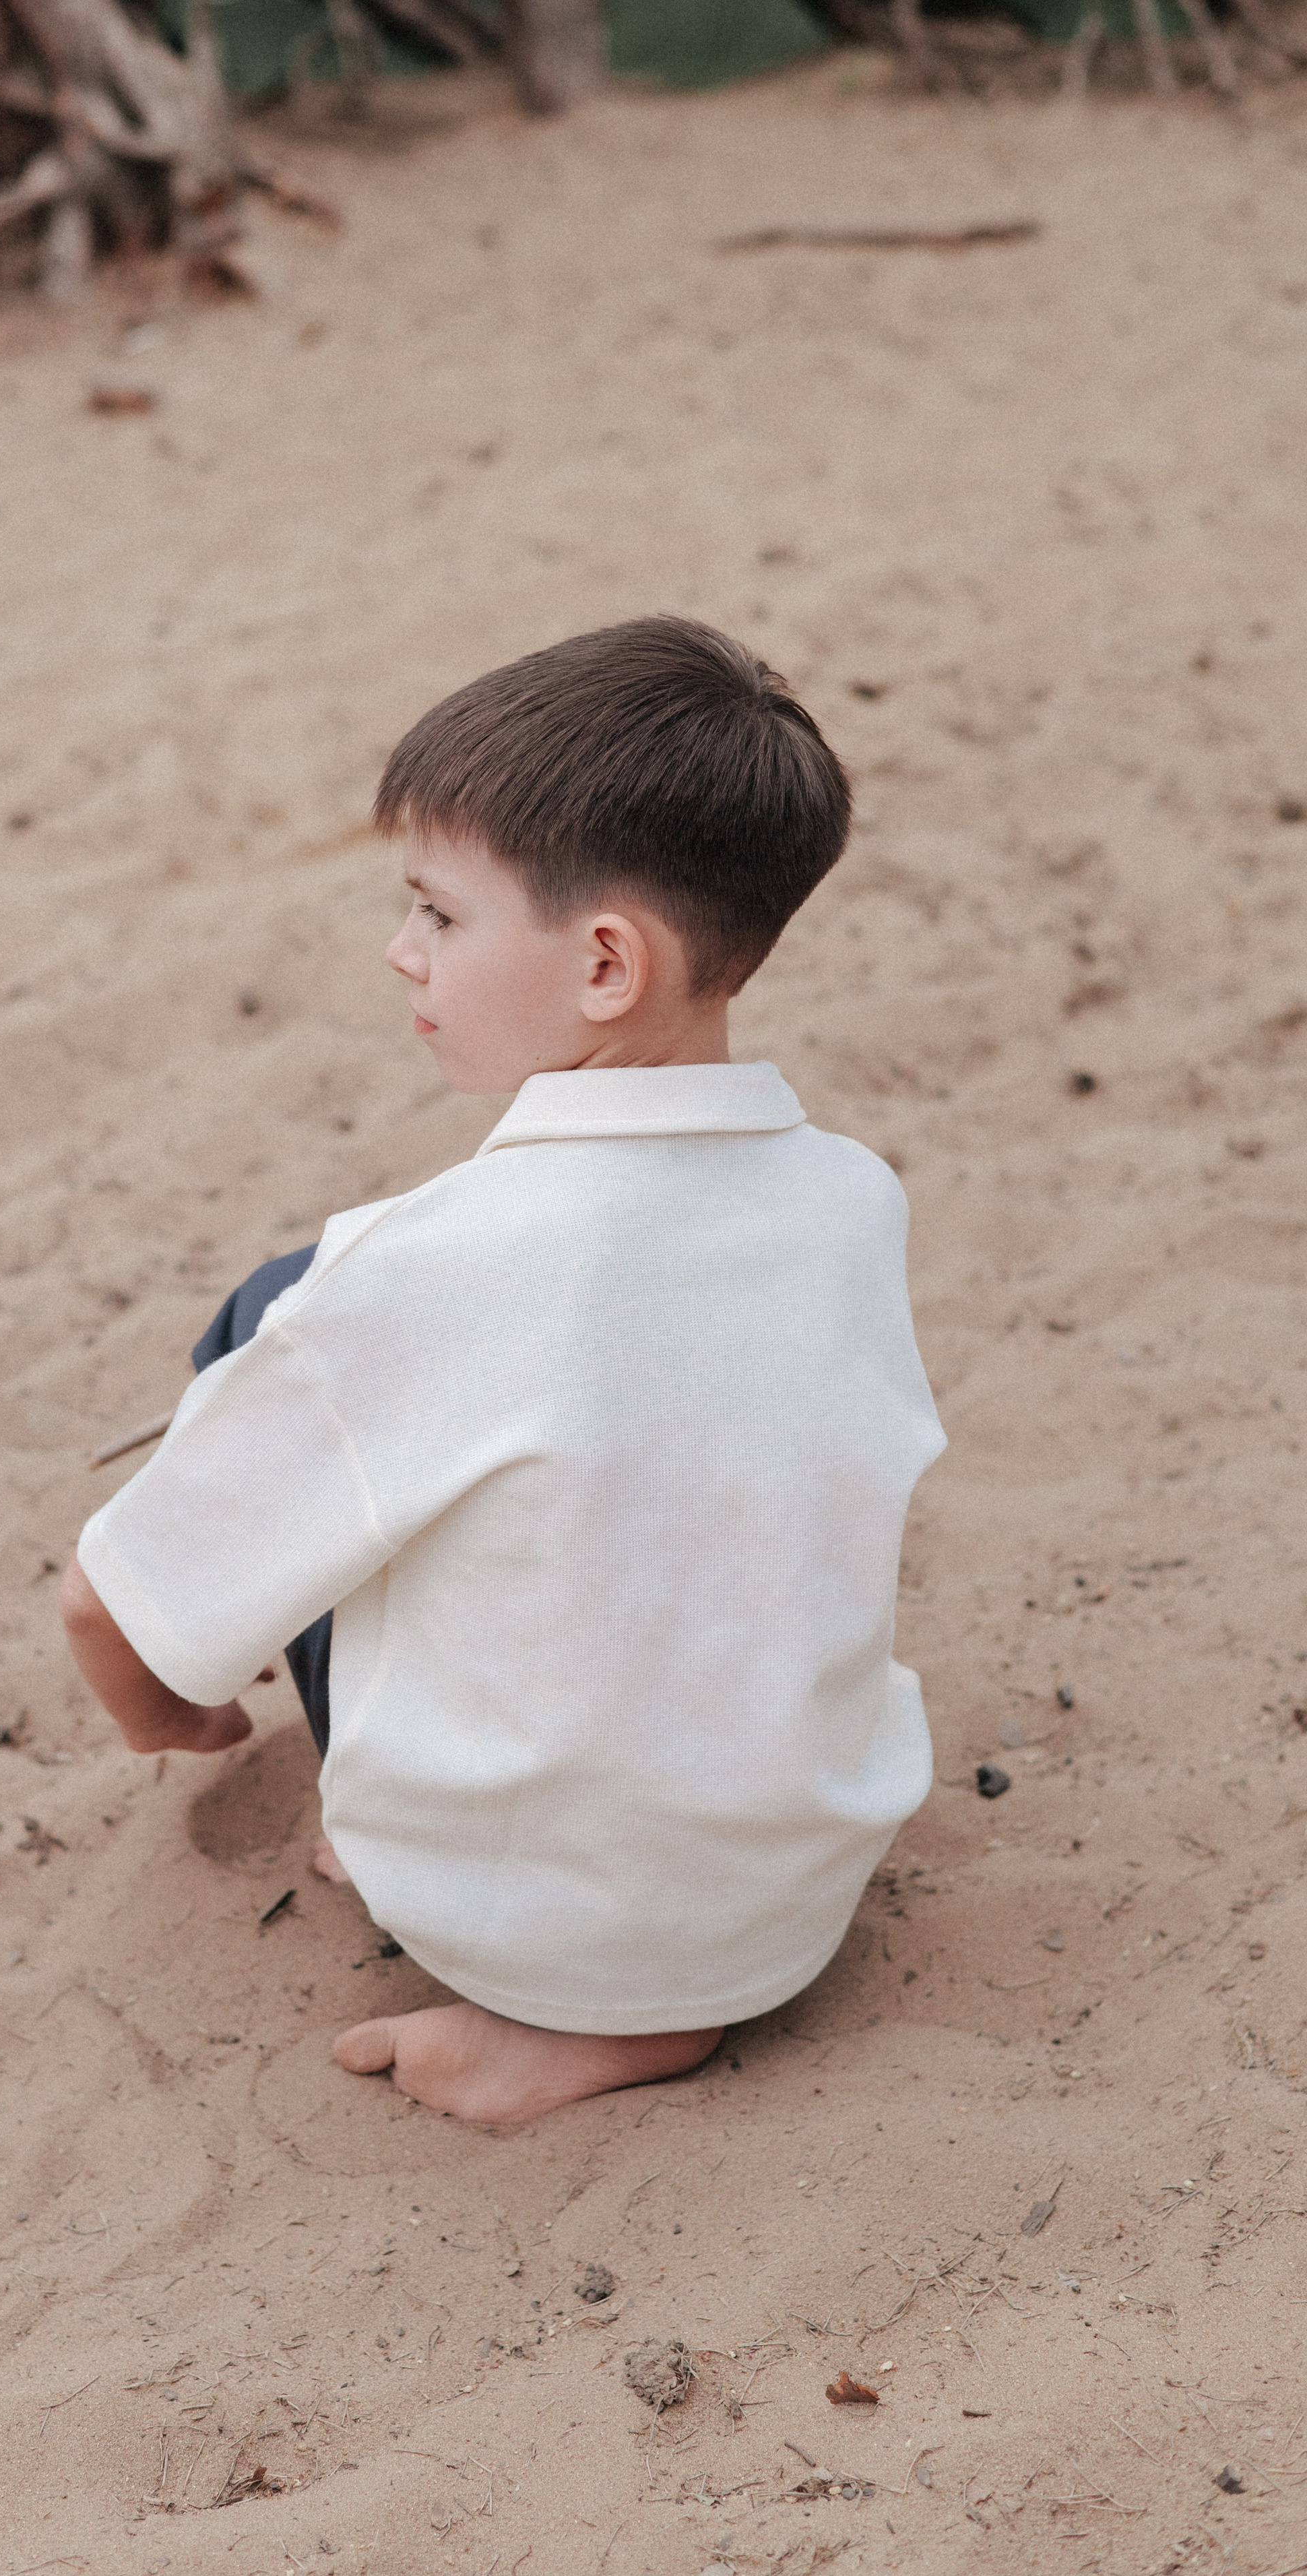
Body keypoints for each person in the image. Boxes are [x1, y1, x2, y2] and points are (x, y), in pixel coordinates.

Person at [61, 617, 945, 2126]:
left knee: (272, 1318)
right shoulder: (854, 1200)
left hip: (549, 1945)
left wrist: (174, 1720)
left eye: (438, 913)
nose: (400, 950)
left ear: (604, 964)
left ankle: (549, 2007)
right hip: (799, 1895)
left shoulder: (427, 1269)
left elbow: (107, 1609)